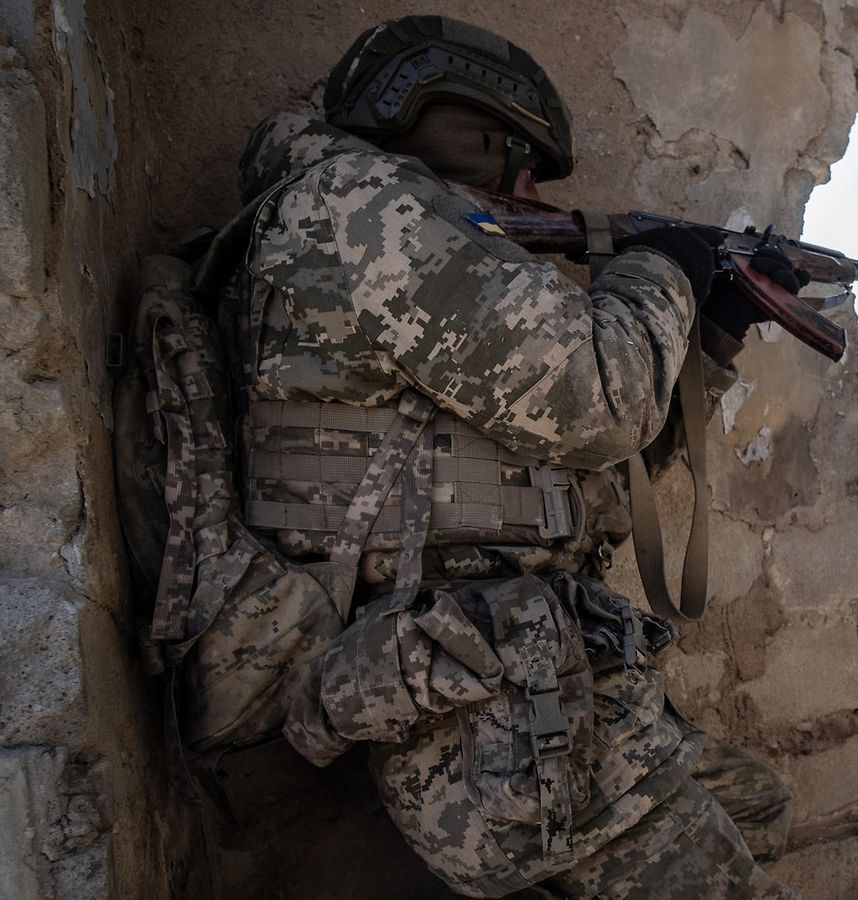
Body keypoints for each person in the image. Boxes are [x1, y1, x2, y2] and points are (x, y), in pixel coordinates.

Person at [225, 14, 798, 898]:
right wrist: (657, 272)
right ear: (447, 121)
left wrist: (712, 334)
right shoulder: (357, 207)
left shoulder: (412, 229)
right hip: (455, 678)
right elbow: (595, 401)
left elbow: (600, 464)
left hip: (528, 654)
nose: (531, 190)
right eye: (518, 158)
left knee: (759, 809)